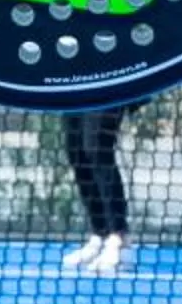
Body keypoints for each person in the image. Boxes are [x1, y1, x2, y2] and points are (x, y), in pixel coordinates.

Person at [60, 101, 143, 274]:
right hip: (76, 89)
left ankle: (119, 239)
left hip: (107, 88)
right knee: (76, 150)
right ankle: (100, 235)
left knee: (97, 147)